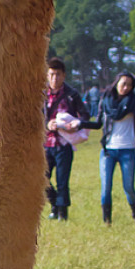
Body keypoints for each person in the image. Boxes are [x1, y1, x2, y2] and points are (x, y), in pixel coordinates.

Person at [86, 71, 135, 224]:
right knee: (106, 186)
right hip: (108, 150)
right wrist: (79, 124)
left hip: (127, 150)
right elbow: (98, 123)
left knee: (128, 187)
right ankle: (107, 220)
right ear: (116, 84)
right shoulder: (105, 100)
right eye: (123, 84)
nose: (126, 87)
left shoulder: (133, 101)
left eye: (129, 85)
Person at [43, 58, 88, 221]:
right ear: (47, 75)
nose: (55, 78)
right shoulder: (40, 94)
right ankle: (54, 203)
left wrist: (75, 123)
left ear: (64, 75)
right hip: (46, 144)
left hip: (64, 144)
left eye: (58, 74)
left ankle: (62, 213)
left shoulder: (72, 95)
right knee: (42, 178)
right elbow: (33, 117)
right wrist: (47, 124)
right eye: (52, 74)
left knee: (63, 180)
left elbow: (84, 115)